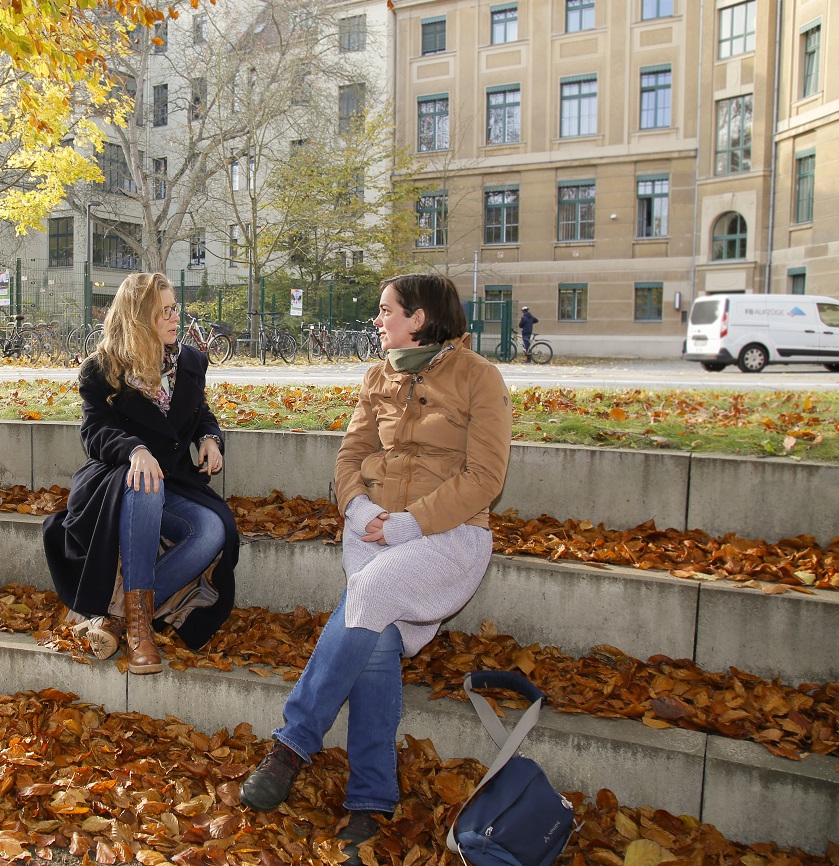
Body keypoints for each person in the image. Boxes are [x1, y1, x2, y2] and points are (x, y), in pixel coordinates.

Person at [238, 273, 512, 865]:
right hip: (371, 529)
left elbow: (486, 478)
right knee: (378, 638)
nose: (377, 319)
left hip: (449, 537)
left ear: (419, 317)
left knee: (369, 593)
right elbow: (351, 455)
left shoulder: (479, 378)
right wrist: (357, 505)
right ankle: (371, 800)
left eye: (386, 310)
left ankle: (291, 745)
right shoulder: (378, 375)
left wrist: (410, 522)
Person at [42, 272, 239, 674]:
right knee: (145, 484)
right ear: (137, 319)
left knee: (212, 531)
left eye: (175, 309)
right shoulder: (101, 369)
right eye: (163, 312)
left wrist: (209, 438)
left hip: (176, 482)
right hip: (115, 482)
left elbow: (200, 413)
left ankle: (120, 618)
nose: (174, 319)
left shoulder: (189, 362)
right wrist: (134, 450)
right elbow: (94, 431)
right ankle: (140, 635)